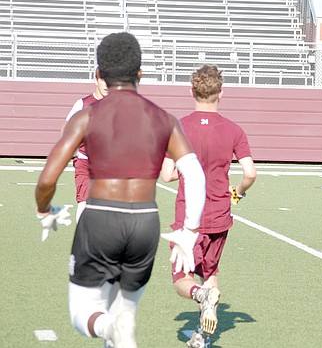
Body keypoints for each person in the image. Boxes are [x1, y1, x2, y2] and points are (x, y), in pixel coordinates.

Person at [35, 32, 206, 348]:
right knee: (123, 317)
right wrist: (189, 231)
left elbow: (47, 178)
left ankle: (107, 326)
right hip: (145, 223)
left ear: (99, 73)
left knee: (84, 314)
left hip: (101, 218)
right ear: (140, 74)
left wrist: (44, 209)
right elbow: (194, 174)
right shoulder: (164, 118)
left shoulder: (88, 114)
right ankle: (116, 327)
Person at [160, 64, 256, 346]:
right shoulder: (233, 129)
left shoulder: (178, 128)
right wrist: (236, 192)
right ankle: (201, 337)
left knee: (182, 278)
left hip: (189, 218)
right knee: (210, 273)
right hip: (219, 215)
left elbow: (166, 175)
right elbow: (250, 173)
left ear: (191, 91)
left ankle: (200, 295)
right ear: (221, 93)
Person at [63, 74, 109, 222]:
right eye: (103, 80)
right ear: (96, 80)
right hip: (85, 162)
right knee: (84, 202)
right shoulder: (82, 104)